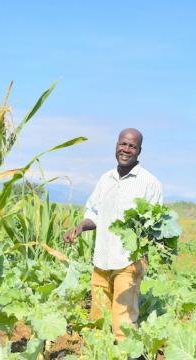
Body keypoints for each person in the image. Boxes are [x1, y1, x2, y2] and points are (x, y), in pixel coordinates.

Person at [64, 128, 162, 342]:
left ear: (139, 150)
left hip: (128, 262)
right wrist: (80, 227)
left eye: (132, 146)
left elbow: (155, 224)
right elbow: (94, 213)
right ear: (116, 145)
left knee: (123, 324)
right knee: (97, 321)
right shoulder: (105, 179)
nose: (126, 149)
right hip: (101, 261)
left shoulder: (149, 183)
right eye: (122, 144)